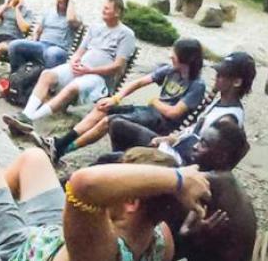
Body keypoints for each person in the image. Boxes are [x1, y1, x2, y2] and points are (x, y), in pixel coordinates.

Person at [0, 147, 210, 261]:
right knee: (33, 158)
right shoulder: (161, 239)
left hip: (16, 251)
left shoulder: (100, 250)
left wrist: (178, 179)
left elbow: (83, 184)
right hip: (50, 238)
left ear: (130, 201)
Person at [32, 38, 207, 163]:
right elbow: (138, 82)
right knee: (102, 108)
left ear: (187, 59)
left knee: (109, 121)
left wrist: (154, 101)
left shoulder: (197, 85)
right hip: (148, 113)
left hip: (161, 124)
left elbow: (173, 112)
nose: (171, 56)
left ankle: (62, 149)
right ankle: (59, 143)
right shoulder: (171, 70)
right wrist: (115, 98)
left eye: (174, 54)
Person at [2, 0, 136, 134]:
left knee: (72, 87)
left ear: (117, 12)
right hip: (80, 69)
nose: (103, 10)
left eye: (107, 8)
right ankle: (26, 114)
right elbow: (79, 52)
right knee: (47, 75)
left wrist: (90, 70)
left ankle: (30, 119)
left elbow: (118, 66)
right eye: (103, 7)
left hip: (99, 78)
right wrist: (74, 62)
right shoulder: (95, 28)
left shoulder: (126, 34)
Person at [109, 51, 256, 162]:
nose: (216, 77)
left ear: (236, 82)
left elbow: (204, 158)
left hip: (178, 161)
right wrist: (167, 139)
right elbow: (193, 131)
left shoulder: (228, 120)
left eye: (222, 75)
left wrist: (167, 147)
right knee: (117, 125)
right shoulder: (221, 103)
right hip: (172, 147)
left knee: (111, 158)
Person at [176, 119, 255, 261]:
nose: (194, 146)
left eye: (203, 144)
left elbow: (184, 235)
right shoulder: (226, 180)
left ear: (221, 157)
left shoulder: (210, 181)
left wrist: (187, 232)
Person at [5, 0, 80, 72]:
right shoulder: (49, 13)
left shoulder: (75, 17)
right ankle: (18, 76)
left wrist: (72, 0)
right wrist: (34, 41)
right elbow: (38, 31)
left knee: (52, 54)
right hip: (41, 45)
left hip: (58, 48)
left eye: (60, 2)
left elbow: (70, 19)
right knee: (14, 45)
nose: (56, 4)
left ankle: (43, 82)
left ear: (68, 4)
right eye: (56, 0)